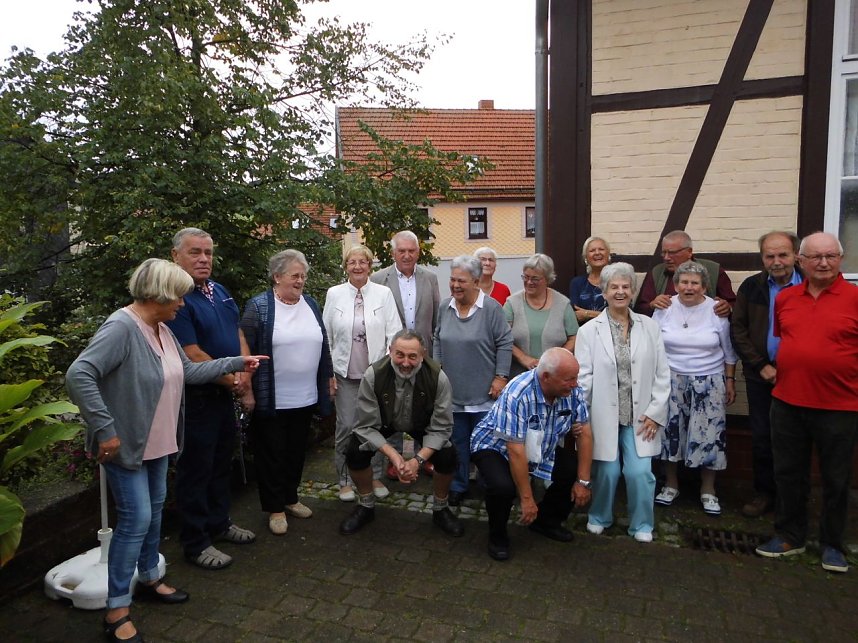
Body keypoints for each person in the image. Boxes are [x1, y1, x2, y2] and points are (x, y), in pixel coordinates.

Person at [66, 259, 266, 643]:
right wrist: (105, 430)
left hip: (158, 443)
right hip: (126, 446)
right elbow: (79, 374)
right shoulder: (122, 327)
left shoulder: (162, 329)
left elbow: (187, 372)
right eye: (179, 296)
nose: (183, 304)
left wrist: (238, 362)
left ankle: (151, 579)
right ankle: (117, 611)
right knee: (136, 520)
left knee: (155, 512)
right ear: (159, 294)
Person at [756, 232, 858, 574]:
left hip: (840, 405)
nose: (824, 263)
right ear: (802, 261)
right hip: (787, 401)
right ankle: (789, 535)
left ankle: (832, 544)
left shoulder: (854, 298)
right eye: (816, 257)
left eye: (831, 256)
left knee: (836, 479)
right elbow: (788, 341)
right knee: (788, 473)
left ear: (840, 259)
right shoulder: (786, 298)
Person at [166, 228, 257, 570]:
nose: (204, 258)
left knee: (221, 463)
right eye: (195, 252)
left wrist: (244, 376)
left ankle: (219, 523)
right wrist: (232, 379)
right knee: (196, 471)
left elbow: (237, 335)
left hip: (223, 396)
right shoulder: (175, 298)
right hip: (197, 400)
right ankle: (195, 541)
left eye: (208, 252)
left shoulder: (219, 291)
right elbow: (191, 353)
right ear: (176, 256)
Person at [241, 249, 334, 535]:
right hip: (273, 396)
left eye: (303, 276)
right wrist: (247, 389)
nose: (300, 281)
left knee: (296, 451)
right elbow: (244, 348)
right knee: (271, 453)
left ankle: (291, 498)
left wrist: (328, 376)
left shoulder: (311, 303)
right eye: (295, 275)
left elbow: (323, 342)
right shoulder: (259, 307)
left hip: (304, 396)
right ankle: (275, 507)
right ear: (277, 276)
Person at [575, 263, 670, 543]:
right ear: (603, 292)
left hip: (640, 415)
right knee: (607, 470)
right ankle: (599, 516)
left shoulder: (650, 327)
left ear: (632, 291)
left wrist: (656, 413)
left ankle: (641, 524)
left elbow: (662, 374)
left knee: (640, 472)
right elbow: (583, 377)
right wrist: (581, 418)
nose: (620, 292)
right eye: (613, 287)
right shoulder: (589, 331)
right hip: (603, 414)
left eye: (625, 287)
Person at [470, 348, 593, 561]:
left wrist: (583, 481)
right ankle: (497, 536)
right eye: (569, 379)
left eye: (575, 378)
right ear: (546, 377)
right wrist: (527, 499)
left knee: (570, 469)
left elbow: (584, 432)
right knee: (503, 487)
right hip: (495, 446)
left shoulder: (572, 389)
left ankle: (546, 521)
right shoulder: (517, 393)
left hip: (540, 445)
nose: (575, 384)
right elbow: (515, 450)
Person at [338, 330, 464, 538]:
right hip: (384, 421)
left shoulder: (438, 377)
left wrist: (416, 461)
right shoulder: (373, 374)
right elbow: (365, 426)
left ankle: (441, 509)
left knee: (448, 454)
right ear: (390, 352)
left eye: (412, 356)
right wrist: (395, 456)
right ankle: (366, 506)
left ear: (423, 354)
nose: (405, 362)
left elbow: (442, 427)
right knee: (354, 451)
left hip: (421, 423)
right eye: (400, 355)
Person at [652, 261, 737, 515]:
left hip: (709, 380)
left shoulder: (716, 310)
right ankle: (671, 484)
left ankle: (708, 489)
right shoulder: (665, 307)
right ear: (676, 285)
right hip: (671, 379)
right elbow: (652, 344)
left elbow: (729, 351)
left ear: (704, 286)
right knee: (670, 433)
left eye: (695, 283)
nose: (689, 288)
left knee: (709, 435)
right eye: (684, 282)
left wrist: (730, 380)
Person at [731, 231, 803, 518]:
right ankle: (765, 493)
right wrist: (761, 365)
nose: (776, 261)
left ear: (796, 255)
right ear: (762, 258)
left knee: (796, 437)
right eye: (769, 256)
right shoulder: (752, 287)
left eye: (783, 255)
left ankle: (793, 500)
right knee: (762, 436)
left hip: (800, 376)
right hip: (761, 374)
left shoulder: (809, 285)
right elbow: (738, 329)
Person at [323, 244, 402, 502]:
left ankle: (374, 475)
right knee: (346, 427)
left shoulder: (383, 293)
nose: (357, 266)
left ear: (370, 265)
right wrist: (329, 371)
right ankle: (345, 479)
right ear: (345, 266)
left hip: (376, 375)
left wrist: (389, 368)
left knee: (375, 426)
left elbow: (395, 332)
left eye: (362, 262)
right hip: (345, 373)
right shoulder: (334, 294)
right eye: (352, 262)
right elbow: (327, 336)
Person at [433, 255, 513, 506]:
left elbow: (505, 342)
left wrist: (501, 377)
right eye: (452, 279)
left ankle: (490, 485)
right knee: (457, 442)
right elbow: (437, 338)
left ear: (476, 282)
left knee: (487, 444)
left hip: (484, 392)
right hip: (453, 392)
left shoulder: (490, 309)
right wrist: (437, 370)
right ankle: (458, 485)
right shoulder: (445, 307)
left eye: (462, 281)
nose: (455, 285)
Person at [371, 230, 440, 478]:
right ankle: (397, 458)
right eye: (402, 251)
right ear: (393, 253)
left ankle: (420, 457)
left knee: (422, 406)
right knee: (394, 408)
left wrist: (433, 355)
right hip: (393, 355)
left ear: (418, 252)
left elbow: (435, 322)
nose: (407, 255)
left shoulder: (430, 278)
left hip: (422, 354)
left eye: (412, 251)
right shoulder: (379, 278)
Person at [504, 253, 578, 377]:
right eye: (525, 277)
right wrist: (523, 358)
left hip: (555, 375)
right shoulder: (512, 303)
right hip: (519, 375)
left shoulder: (562, 303)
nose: (529, 282)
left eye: (535, 279)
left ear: (548, 279)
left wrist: (556, 358)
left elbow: (574, 337)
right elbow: (502, 337)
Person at [635, 230, 736, 317]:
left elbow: (735, 305)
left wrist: (728, 308)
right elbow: (640, 310)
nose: (666, 258)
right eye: (663, 252)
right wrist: (652, 305)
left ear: (689, 252)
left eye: (672, 252)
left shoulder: (713, 271)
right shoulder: (657, 273)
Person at [568, 236, 611, 324]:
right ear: (586, 258)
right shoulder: (577, 283)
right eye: (592, 251)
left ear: (608, 254)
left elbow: (623, 314)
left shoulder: (618, 281)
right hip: (584, 333)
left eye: (601, 249)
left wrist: (588, 314)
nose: (597, 253)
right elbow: (576, 314)